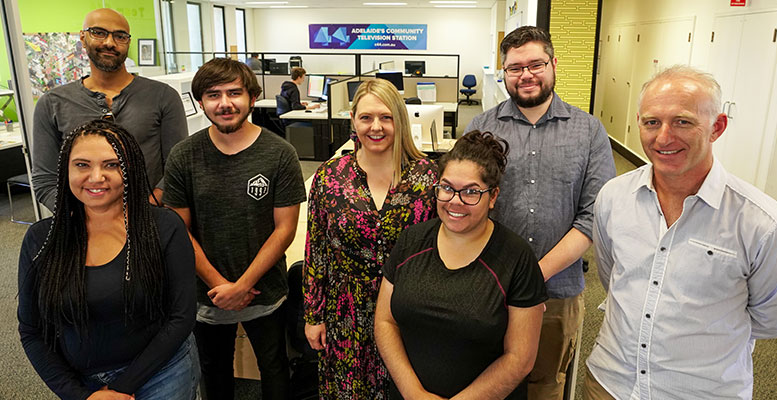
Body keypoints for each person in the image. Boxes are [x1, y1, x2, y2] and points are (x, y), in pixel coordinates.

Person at [584, 65, 777, 400]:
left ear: (717, 127)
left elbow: (772, 320)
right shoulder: (614, 197)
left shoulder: (765, 226)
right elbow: (613, 275)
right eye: (651, 122)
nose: (663, 138)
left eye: (683, 122)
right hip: (610, 382)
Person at [464, 25, 616, 400]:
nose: (526, 75)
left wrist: (534, 275)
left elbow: (593, 215)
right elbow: (465, 203)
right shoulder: (481, 127)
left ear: (553, 65)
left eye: (536, 64)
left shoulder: (588, 131)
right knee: (485, 381)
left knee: (545, 385)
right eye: (515, 67)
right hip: (488, 287)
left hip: (557, 292)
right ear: (503, 72)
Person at [18, 119, 198, 400]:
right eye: (82, 165)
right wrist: (79, 395)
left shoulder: (162, 227)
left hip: (161, 375)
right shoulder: (42, 239)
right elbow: (31, 330)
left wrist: (119, 389)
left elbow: (181, 317)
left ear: (130, 171)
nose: (96, 176)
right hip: (80, 383)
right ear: (65, 169)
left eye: (112, 164)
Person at [163, 58, 305, 400]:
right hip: (206, 292)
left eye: (234, 93)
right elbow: (177, 229)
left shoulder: (279, 153)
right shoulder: (184, 155)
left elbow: (285, 230)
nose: (224, 103)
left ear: (252, 98)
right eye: (213, 95)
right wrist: (221, 285)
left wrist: (242, 285)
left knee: (273, 366)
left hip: (264, 290)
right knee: (213, 371)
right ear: (201, 102)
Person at [375, 130, 548, 400]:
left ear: (492, 197)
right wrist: (413, 393)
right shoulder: (412, 240)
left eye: (471, 192)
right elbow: (385, 322)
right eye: (446, 188)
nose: (455, 201)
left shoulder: (517, 258)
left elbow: (520, 358)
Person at [303, 78, 437, 399]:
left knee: (404, 389)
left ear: (399, 120)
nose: (376, 126)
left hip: (406, 310)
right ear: (353, 120)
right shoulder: (331, 176)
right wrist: (313, 315)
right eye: (366, 118)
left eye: (386, 117)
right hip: (345, 309)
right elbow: (316, 249)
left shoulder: (427, 178)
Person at [31, 8, 188, 210]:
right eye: (99, 32)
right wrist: (82, 217)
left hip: (150, 218)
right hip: (83, 227)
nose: (109, 43)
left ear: (128, 42)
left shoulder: (163, 96)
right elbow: (45, 179)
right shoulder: (53, 103)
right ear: (83, 37)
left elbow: (177, 166)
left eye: (119, 36)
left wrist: (146, 209)